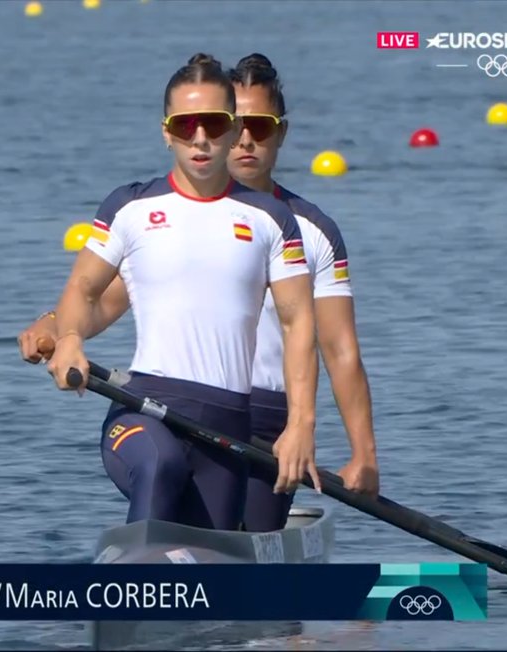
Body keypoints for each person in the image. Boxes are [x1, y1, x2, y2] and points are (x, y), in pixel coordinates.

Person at [20, 53, 380, 532]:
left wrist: (340, 443)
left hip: (256, 418)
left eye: (256, 127)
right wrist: (62, 330)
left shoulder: (295, 227)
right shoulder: (141, 209)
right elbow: (101, 294)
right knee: (161, 468)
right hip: (158, 403)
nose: (238, 139)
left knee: (231, 546)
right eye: (190, 125)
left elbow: (330, 343)